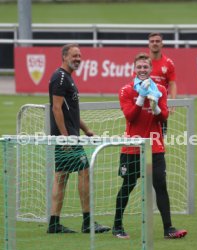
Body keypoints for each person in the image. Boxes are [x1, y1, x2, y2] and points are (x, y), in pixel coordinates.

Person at [112, 52, 187, 239]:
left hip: (155, 147)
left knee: (160, 186)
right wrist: (141, 98)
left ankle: (168, 228)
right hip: (132, 147)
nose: (143, 70)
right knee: (128, 185)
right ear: (134, 69)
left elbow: (164, 117)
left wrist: (156, 108)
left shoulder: (160, 89)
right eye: (139, 67)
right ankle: (117, 226)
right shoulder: (126, 90)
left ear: (151, 69)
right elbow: (130, 116)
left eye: (145, 67)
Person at [47, 43, 111, 234]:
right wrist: (66, 137)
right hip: (66, 138)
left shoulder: (67, 78)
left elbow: (71, 112)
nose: (78, 59)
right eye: (74, 55)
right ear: (64, 56)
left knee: (61, 177)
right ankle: (87, 222)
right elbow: (56, 108)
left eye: (80, 56)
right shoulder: (60, 77)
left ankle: (54, 223)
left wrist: (86, 129)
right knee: (84, 169)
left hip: (68, 136)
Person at [148, 32, 177, 135]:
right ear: (149, 44)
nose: (155, 43)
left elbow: (172, 84)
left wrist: (173, 103)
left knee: (160, 138)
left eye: (157, 41)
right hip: (145, 106)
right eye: (152, 41)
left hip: (161, 106)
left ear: (162, 44)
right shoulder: (143, 63)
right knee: (141, 139)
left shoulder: (168, 63)